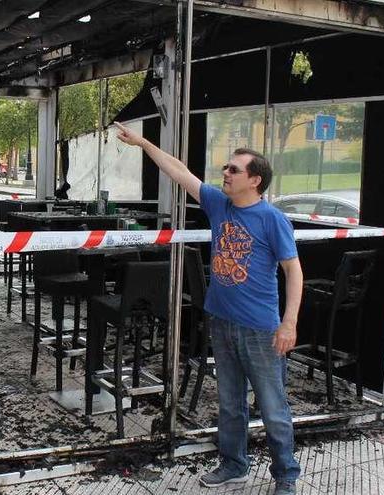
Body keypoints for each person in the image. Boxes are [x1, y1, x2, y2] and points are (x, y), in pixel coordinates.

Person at [113, 122, 303, 495]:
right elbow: (179, 171)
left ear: (255, 181)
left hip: (261, 330)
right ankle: (234, 465)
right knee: (230, 404)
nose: (225, 173)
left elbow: (294, 272)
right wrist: (143, 143)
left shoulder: (272, 219)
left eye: (234, 169)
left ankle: (286, 476)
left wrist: (289, 323)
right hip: (221, 321)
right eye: (226, 168)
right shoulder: (219, 203)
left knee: (273, 408)